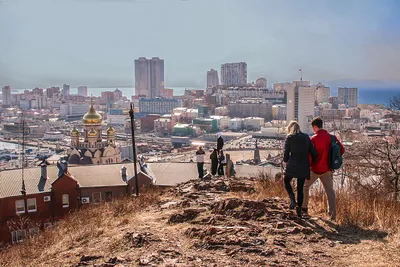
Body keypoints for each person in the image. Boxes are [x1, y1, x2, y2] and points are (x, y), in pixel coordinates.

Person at [302, 117, 345, 220]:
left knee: (305, 186)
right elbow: (342, 150)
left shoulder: (313, 139)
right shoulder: (332, 138)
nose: (313, 130)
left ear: (315, 127)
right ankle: (332, 215)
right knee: (330, 192)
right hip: (327, 170)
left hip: (315, 169)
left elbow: (309, 156)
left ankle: (304, 208)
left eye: (313, 128)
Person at [283, 121, 317, 218]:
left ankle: (292, 200)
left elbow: (286, 155)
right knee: (300, 188)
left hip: (292, 165)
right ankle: (299, 210)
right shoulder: (306, 137)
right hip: (304, 165)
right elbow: (313, 152)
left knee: (286, 181)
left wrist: (286, 161)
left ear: (290, 128)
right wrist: (311, 163)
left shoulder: (289, 138)